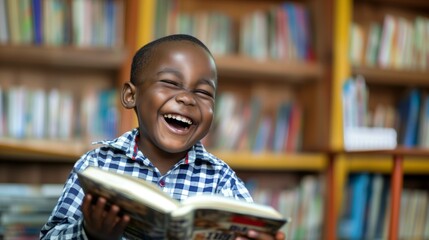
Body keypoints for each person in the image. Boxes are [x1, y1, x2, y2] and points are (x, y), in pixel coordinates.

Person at [40, 34, 286, 240]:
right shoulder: (96, 166)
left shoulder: (222, 180)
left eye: (203, 92)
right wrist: (89, 233)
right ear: (130, 95)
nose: (187, 99)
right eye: (170, 83)